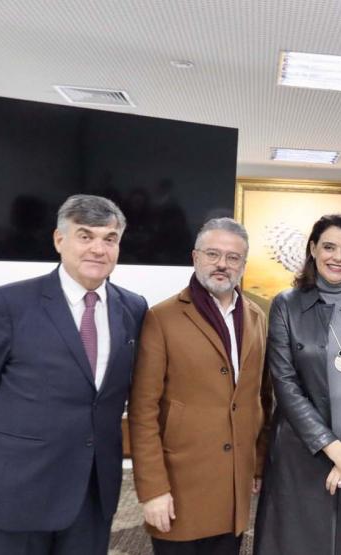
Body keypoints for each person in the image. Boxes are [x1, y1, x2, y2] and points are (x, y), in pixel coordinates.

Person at [0, 194, 148, 554]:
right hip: (17, 486)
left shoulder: (132, 308)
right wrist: (12, 442)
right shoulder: (8, 304)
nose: (98, 249)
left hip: (93, 491)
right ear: (60, 240)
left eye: (110, 238)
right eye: (85, 236)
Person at [252, 214, 341, 555]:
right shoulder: (285, 305)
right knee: (299, 542)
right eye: (329, 247)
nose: (338, 257)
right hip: (301, 451)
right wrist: (332, 447)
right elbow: (284, 384)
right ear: (313, 250)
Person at [128, 218, 271, 553]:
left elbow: (262, 397)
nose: (222, 264)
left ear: (243, 265)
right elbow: (143, 411)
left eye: (233, 257)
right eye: (213, 254)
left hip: (234, 486)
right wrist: (152, 490)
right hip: (180, 487)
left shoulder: (256, 318)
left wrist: (258, 463)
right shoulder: (161, 318)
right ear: (195, 257)